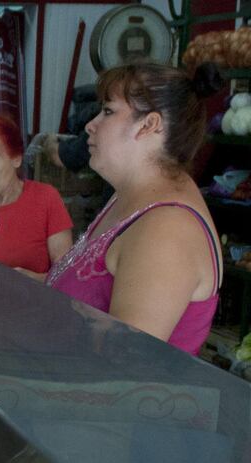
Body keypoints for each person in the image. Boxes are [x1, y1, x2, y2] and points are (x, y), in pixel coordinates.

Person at [46, 62, 224, 355]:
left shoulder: (167, 230)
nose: (91, 125)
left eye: (108, 111)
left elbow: (125, 359)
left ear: (149, 125)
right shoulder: (127, 197)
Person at [0, 115, 74, 276]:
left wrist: (34, 280)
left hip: (30, 292)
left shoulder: (46, 198)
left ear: (16, 159)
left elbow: (66, 276)